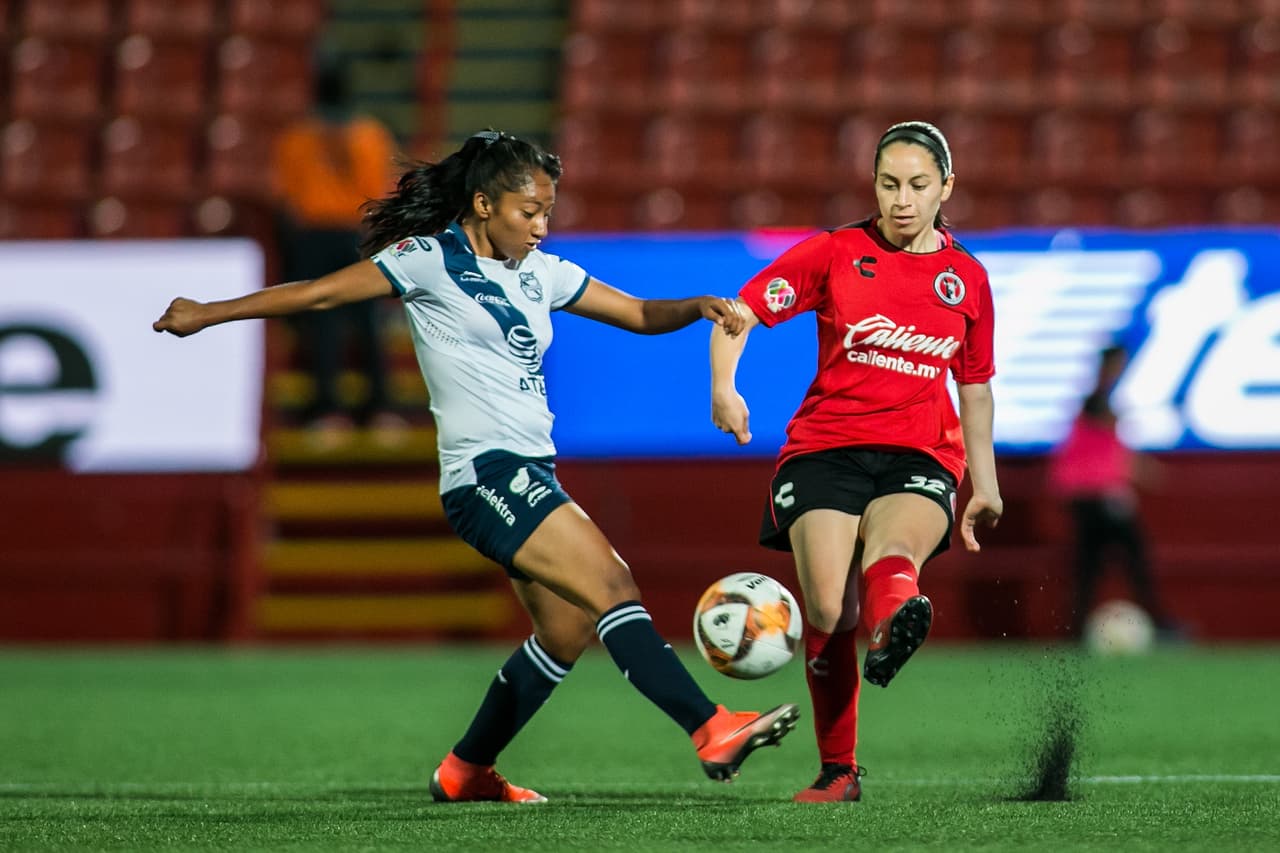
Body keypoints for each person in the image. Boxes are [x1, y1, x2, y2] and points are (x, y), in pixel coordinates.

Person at [155, 130, 799, 803]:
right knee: (611, 582)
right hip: (484, 475)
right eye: (530, 212)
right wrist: (209, 313)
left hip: (531, 472)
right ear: (485, 203)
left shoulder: (541, 271)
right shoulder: (426, 260)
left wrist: (693, 307)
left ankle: (465, 770)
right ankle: (710, 726)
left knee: (569, 625)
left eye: (549, 211)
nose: (541, 226)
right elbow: (319, 295)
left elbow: (636, 312)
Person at [709, 121, 1003, 803]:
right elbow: (738, 313)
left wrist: (984, 482)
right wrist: (724, 386)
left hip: (922, 449)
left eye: (918, 185)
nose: (902, 199)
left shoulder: (967, 278)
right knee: (826, 603)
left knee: (895, 547)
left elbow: (976, 385)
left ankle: (891, 629)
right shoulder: (835, 252)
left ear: (946, 188)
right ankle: (840, 766)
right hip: (827, 448)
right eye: (888, 183)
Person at [272, 52, 403, 445]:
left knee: (323, 325)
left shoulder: (298, 137)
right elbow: (383, 192)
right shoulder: (370, 134)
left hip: (315, 236)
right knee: (368, 322)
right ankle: (381, 409)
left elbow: (287, 198)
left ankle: (328, 411)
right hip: (358, 234)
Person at [1048, 344, 1181, 639]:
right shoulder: (1099, 398)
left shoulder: (1098, 400)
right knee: (1133, 558)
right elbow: (1111, 446)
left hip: (1083, 495)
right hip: (1097, 495)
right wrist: (1136, 474)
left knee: (1091, 566)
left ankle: (1075, 631)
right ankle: (1159, 623)